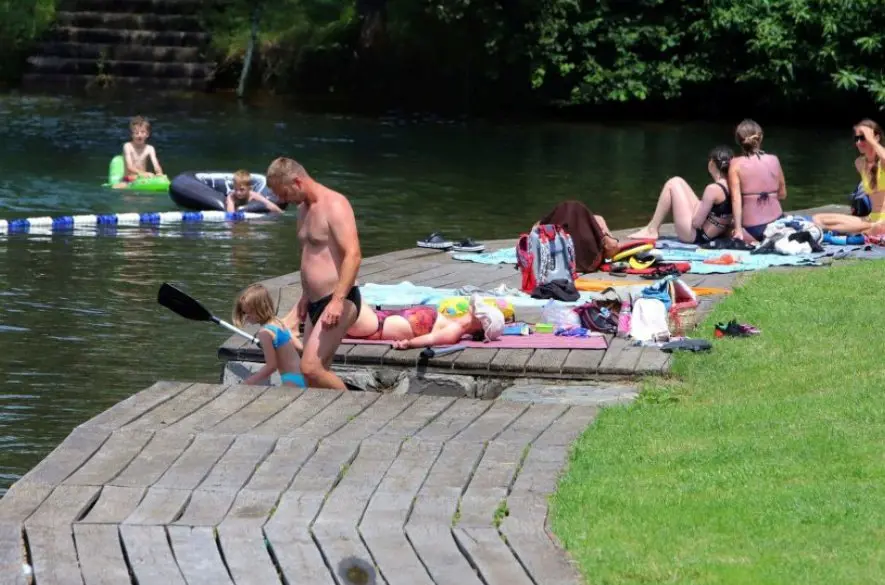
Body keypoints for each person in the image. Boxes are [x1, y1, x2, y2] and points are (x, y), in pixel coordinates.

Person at [267, 157, 362, 390]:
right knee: (313, 376)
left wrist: (338, 300)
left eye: (284, 193)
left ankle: (356, 408)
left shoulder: (335, 204)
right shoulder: (302, 210)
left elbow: (353, 254)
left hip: (339, 298)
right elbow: (311, 256)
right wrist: (304, 296)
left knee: (310, 368)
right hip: (313, 302)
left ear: (297, 182)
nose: (282, 200)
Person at [628, 146, 734, 244]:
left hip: (697, 236)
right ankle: (651, 228)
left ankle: (652, 229)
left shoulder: (713, 189)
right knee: (679, 181)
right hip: (713, 233)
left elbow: (696, 223)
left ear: (711, 164)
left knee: (672, 184)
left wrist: (697, 209)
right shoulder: (732, 185)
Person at [813, 119, 885, 236]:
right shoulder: (860, 163)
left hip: (883, 221)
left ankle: (868, 231)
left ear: (876, 138)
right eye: (856, 139)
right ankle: (867, 230)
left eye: (863, 138)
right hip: (871, 219)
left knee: (838, 227)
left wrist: (871, 140)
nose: (858, 142)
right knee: (818, 219)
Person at [233, 284, 305, 387]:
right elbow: (299, 347)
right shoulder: (278, 322)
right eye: (244, 312)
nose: (246, 317)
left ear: (260, 309)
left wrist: (248, 382)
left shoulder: (264, 333)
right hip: (301, 375)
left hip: (291, 381)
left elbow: (271, 367)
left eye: (249, 312)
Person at [728, 119, 787, 242]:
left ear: (738, 141)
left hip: (753, 230)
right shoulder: (774, 160)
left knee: (721, 228)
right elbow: (782, 195)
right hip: (777, 224)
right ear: (760, 138)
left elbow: (735, 199)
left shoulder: (735, 164)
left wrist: (738, 229)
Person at [378, 295, 504, 350]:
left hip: (383, 326)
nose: (474, 308)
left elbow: (431, 338)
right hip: (389, 318)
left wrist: (409, 343)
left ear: (480, 324)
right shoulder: (452, 322)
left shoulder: (454, 331)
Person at [533, 201, 619, 270]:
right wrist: (606, 235)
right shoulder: (596, 222)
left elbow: (534, 230)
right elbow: (612, 246)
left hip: (557, 259)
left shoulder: (558, 218)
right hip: (586, 260)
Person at [113, 116, 165, 189]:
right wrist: (143, 174)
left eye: (143, 132)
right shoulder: (127, 146)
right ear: (132, 135)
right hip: (128, 179)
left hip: (142, 179)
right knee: (117, 187)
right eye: (136, 133)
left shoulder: (150, 148)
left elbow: (156, 164)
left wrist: (159, 173)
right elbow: (129, 167)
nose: (139, 135)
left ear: (147, 134)